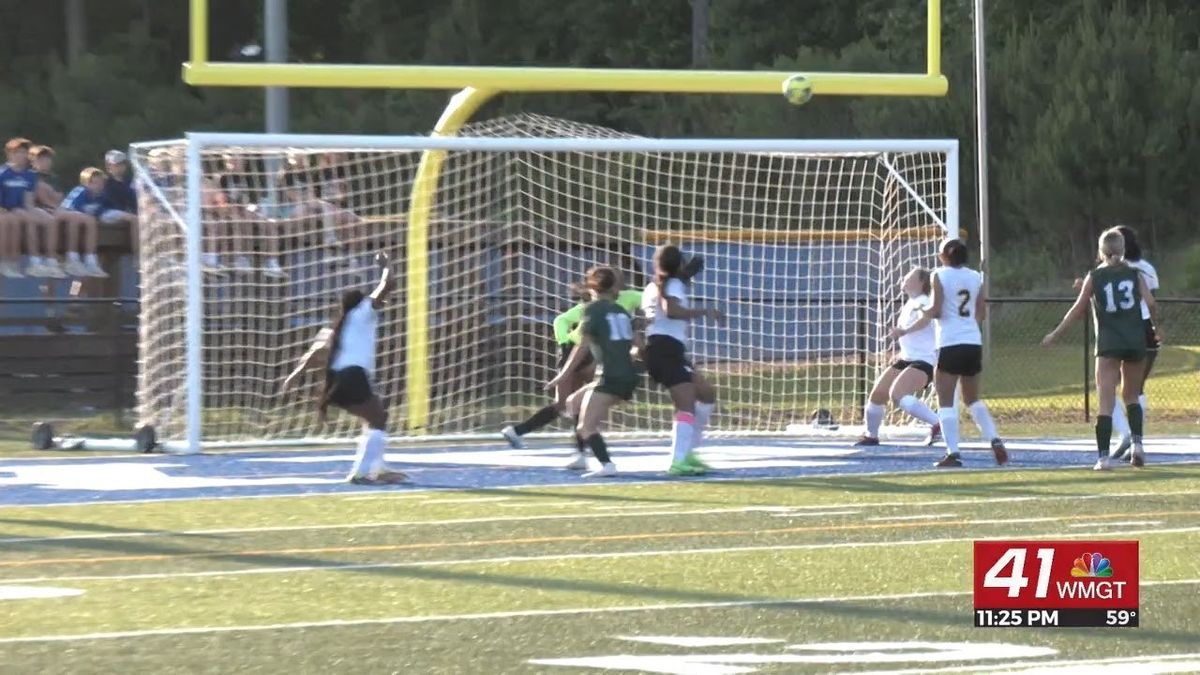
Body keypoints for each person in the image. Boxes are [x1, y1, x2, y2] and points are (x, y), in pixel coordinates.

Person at [281, 252, 407, 484]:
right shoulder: (364, 310)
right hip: (353, 376)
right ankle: (361, 473)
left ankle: (377, 468)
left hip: (337, 380)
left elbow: (315, 353)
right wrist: (386, 264)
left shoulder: (340, 325)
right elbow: (389, 283)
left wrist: (293, 376)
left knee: (376, 418)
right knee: (378, 419)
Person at [1044, 228, 1155, 469]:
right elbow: (1151, 303)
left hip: (1109, 343)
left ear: (1101, 251)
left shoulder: (1094, 276)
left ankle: (1103, 458)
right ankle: (1137, 445)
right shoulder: (1135, 274)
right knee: (1132, 396)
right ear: (1123, 249)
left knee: (1106, 401)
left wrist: (1056, 334)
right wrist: (1158, 328)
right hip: (1134, 340)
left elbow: (1077, 310)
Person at [501, 279, 643, 467]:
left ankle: (584, 454)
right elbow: (562, 322)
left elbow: (651, 301)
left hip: (599, 357)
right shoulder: (594, 308)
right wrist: (564, 344)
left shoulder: (624, 300)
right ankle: (581, 452)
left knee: (578, 405)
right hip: (580, 352)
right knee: (568, 403)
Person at [905, 239, 1008, 467]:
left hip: (950, 342)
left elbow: (936, 310)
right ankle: (994, 439)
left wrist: (922, 309)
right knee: (972, 399)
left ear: (944, 256)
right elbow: (981, 313)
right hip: (972, 342)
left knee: (945, 402)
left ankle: (953, 453)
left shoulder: (939, 275)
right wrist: (966, 325)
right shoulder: (975, 276)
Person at [545, 266, 639, 478]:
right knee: (573, 402)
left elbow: (581, 347)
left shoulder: (593, 310)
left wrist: (563, 375)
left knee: (586, 427)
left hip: (611, 378)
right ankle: (581, 456)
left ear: (593, 287)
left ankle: (607, 465)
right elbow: (638, 346)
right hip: (624, 376)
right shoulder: (621, 311)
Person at [640, 245, 721, 475]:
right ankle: (678, 461)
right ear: (679, 264)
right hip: (665, 349)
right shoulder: (671, 284)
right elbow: (672, 311)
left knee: (706, 393)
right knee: (686, 405)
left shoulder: (654, 285)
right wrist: (706, 312)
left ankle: (688, 452)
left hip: (665, 348)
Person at [856, 267, 942, 446]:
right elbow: (917, 337)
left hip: (924, 361)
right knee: (878, 394)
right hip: (906, 358)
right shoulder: (911, 302)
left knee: (898, 394)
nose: (903, 280)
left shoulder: (924, 300)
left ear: (921, 283)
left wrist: (904, 331)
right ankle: (871, 435)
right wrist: (901, 351)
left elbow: (925, 320)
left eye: (908, 277)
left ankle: (938, 424)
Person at [1108, 226, 1158, 459]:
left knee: (1107, 384)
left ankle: (1126, 433)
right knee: (1137, 388)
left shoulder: (1111, 268)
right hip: (1146, 329)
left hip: (1122, 330)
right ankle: (1137, 439)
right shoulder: (1147, 268)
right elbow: (1151, 301)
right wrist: (1158, 327)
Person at [0, 138, 61, 278]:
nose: (21, 156)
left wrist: (34, 211)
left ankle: (51, 261)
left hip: (22, 209)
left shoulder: (30, 175)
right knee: (29, 219)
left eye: (24, 152)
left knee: (50, 220)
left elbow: (28, 200)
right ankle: (34, 262)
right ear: (9, 154)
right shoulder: (3, 173)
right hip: (6, 210)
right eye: (18, 152)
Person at [59, 168, 110, 278]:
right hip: (63, 214)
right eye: (95, 182)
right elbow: (66, 209)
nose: (99, 186)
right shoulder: (80, 191)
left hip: (83, 221)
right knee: (81, 221)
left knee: (89, 221)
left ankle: (90, 262)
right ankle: (74, 259)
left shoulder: (102, 196)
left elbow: (100, 213)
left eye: (101, 183)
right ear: (86, 183)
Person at [100, 149, 139, 256]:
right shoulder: (106, 183)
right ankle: (137, 255)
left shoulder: (129, 183)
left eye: (122, 164)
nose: (120, 167)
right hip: (107, 212)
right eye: (116, 164)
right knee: (134, 219)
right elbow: (110, 202)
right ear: (109, 167)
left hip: (125, 214)